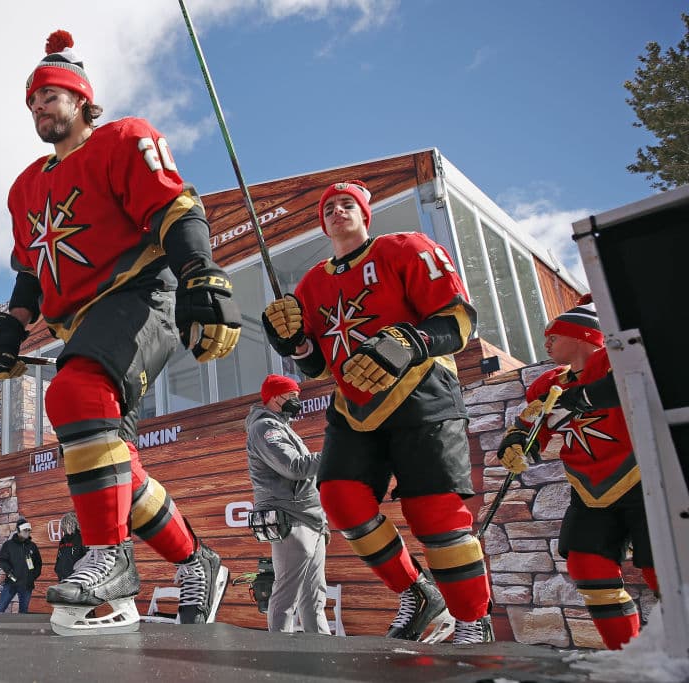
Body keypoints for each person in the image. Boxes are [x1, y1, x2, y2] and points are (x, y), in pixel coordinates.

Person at [0, 30, 241, 635]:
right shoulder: (24, 188)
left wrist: (201, 272)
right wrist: (11, 329)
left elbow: (176, 208)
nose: (39, 107)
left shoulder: (126, 139)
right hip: (83, 321)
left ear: (80, 99)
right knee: (117, 460)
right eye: (32, 101)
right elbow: (30, 271)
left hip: (142, 290)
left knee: (72, 394)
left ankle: (113, 562)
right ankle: (195, 559)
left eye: (50, 95)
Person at [262, 180, 494, 645]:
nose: (338, 211)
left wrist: (412, 339)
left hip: (422, 392)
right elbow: (314, 365)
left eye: (348, 204)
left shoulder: (406, 247)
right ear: (322, 222)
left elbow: (459, 319)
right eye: (329, 207)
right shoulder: (311, 283)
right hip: (354, 406)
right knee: (340, 500)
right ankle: (416, 591)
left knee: (435, 515)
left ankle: (473, 619)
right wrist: (293, 342)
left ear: (366, 214)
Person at [496, 296, 656, 650]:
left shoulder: (613, 361)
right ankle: (628, 655)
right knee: (589, 570)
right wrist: (518, 444)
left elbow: (629, 383)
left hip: (646, 478)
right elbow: (529, 424)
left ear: (583, 334)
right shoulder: (549, 384)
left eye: (554, 335)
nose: (546, 343)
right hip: (588, 489)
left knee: (665, 570)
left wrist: (575, 400)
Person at [244, 374, 330, 634]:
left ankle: (323, 656)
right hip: (290, 520)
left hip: (310, 519)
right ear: (273, 397)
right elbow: (293, 467)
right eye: (292, 397)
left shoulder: (282, 428)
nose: (297, 401)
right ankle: (281, 655)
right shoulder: (264, 428)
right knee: (287, 595)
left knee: (314, 596)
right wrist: (335, 454)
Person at [0, 517, 42, 613]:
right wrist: (9, 571)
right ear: (18, 530)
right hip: (11, 583)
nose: (27, 532)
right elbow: (1, 560)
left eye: (28, 530)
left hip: (26, 585)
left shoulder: (32, 546)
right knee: (0, 610)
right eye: (24, 530)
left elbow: (38, 563)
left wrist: (32, 576)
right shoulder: (8, 545)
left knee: (23, 613)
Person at [54, 511, 87, 582]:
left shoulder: (81, 538)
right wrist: (58, 569)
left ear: (73, 523)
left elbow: (87, 558)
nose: (65, 527)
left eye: (67, 524)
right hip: (63, 579)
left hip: (76, 579)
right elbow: (59, 558)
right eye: (64, 525)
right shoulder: (63, 540)